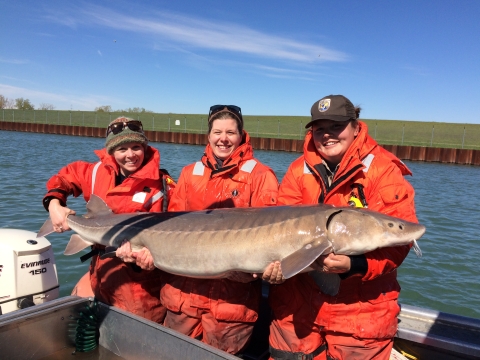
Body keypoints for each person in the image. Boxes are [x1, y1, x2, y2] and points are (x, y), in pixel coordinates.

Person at [267, 95, 418, 360]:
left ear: (356, 126)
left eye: (336, 127)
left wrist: (354, 266)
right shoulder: (296, 169)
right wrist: (272, 267)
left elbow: (400, 242)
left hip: (359, 315)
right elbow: (277, 227)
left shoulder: (382, 171)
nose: (327, 135)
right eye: (319, 129)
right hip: (296, 309)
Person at [127, 105, 279, 355]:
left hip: (230, 305)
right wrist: (149, 256)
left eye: (231, 132)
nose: (224, 138)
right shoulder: (189, 174)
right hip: (182, 298)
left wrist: (260, 271)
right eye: (217, 131)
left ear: (242, 135)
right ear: (208, 135)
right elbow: (170, 228)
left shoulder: (261, 177)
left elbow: (271, 236)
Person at [43, 116, 175, 323]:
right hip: (101, 273)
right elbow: (64, 178)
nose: (130, 155)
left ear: (145, 147)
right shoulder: (95, 172)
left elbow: (171, 237)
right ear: (111, 151)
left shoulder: (163, 187)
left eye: (136, 147)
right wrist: (54, 204)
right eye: (122, 149)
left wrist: (146, 261)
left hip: (140, 288)